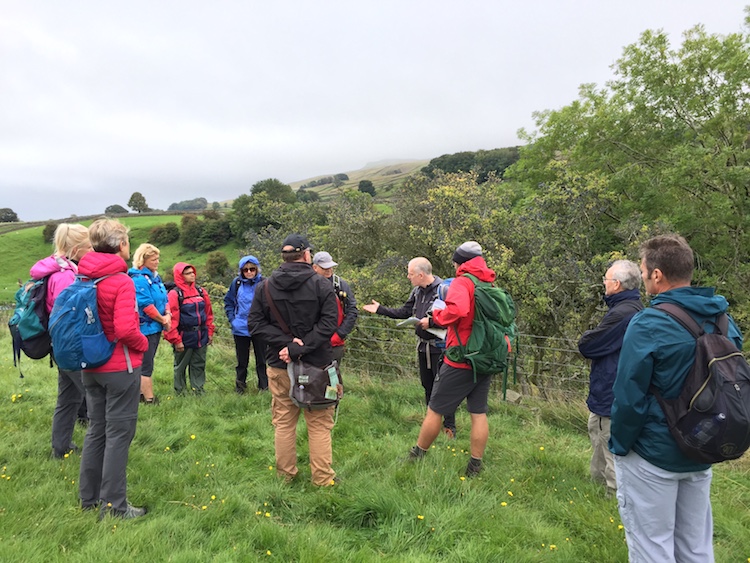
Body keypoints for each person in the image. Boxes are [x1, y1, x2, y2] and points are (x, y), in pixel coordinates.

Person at [610, 234, 743, 561]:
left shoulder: (648, 323)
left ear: (657, 275)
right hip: (702, 447)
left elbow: (629, 397)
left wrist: (620, 446)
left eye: (643, 271)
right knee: (696, 547)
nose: (642, 277)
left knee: (651, 546)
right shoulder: (723, 321)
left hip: (653, 455)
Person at [248, 234, 340, 486]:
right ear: (307, 255)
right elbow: (330, 323)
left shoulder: (264, 286)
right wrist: (301, 346)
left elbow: (255, 325)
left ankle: (285, 476)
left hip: (279, 364)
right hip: (318, 364)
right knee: (319, 424)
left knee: (284, 422)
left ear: (283, 257)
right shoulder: (322, 285)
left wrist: (288, 346)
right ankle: (322, 479)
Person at [77, 218, 149, 519]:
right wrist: (143, 343)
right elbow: (124, 329)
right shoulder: (121, 281)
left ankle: (89, 498)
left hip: (89, 366)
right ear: (120, 244)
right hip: (120, 368)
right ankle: (115, 507)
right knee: (119, 435)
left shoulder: (82, 277)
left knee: (96, 430)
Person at [408, 241, 499, 477]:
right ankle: (475, 465)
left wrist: (435, 318)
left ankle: (417, 454)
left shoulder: (462, 282)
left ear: (459, 263)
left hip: (461, 357)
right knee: (478, 412)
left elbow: (457, 310)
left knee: (435, 408)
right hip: (484, 355)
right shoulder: (487, 281)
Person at [362, 257, 456, 437]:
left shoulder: (443, 290)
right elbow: (404, 312)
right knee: (427, 385)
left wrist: (432, 323)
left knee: (443, 387)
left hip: (440, 347)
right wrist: (381, 309)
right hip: (423, 347)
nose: (408, 277)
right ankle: (432, 423)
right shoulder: (416, 292)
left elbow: (452, 318)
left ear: (421, 275)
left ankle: (450, 427)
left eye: (410, 274)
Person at [577, 260, 643, 497]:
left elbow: (588, 345)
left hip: (611, 388)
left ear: (616, 284)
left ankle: (613, 493)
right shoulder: (630, 307)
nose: (603, 284)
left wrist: (587, 336)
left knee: (608, 440)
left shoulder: (623, 313)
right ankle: (597, 485)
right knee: (597, 432)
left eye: (605, 280)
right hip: (609, 387)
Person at [30, 223, 92, 459]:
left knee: (68, 398)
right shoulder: (66, 276)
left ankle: (61, 446)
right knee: (94, 398)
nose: (91, 250)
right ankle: (100, 450)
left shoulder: (55, 270)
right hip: (73, 346)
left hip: (60, 346)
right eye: (88, 246)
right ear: (76, 248)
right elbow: (73, 314)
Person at [128, 243, 171, 405]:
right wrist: (163, 319)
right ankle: (149, 398)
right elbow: (146, 305)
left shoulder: (155, 277)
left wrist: (168, 314)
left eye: (158, 259)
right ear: (143, 260)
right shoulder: (138, 279)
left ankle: (139, 394)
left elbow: (164, 298)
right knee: (146, 363)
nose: (157, 262)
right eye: (153, 259)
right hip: (145, 328)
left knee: (148, 359)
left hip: (156, 325)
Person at [164, 263, 215, 395]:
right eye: (188, 273)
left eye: (193, 272)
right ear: (180, 276)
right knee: (181, 365)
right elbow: (172, 319)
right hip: (184, 334)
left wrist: (209, 332)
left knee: (199, 363)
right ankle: (180, 391)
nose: (192, 275)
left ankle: (198, 390)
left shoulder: (201, 291)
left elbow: (208, 313)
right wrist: (176, 339)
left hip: (201, 334)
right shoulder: (175, 294)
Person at [223, 255, 267, 394]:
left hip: (260, 327)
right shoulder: (236, 284)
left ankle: (264, 388)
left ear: (257, 269)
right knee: (242, 361)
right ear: (241, 271)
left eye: (252, 269)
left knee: (262, 360)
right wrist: (233, 320)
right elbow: (229, 302)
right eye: (245, 269)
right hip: (240, 328)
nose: (249, 272)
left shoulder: (265, 283)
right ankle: (240, 388)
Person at [312, 251, 358, 366]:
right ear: (315, 267)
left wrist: (340, 334)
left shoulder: (340, 285)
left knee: (333, 378)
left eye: (331, 267)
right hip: (312, 341)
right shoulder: (308, 284)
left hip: (335, 343)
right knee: (312, 377)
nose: (329, 270)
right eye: (325, 267)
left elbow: (352, 310)